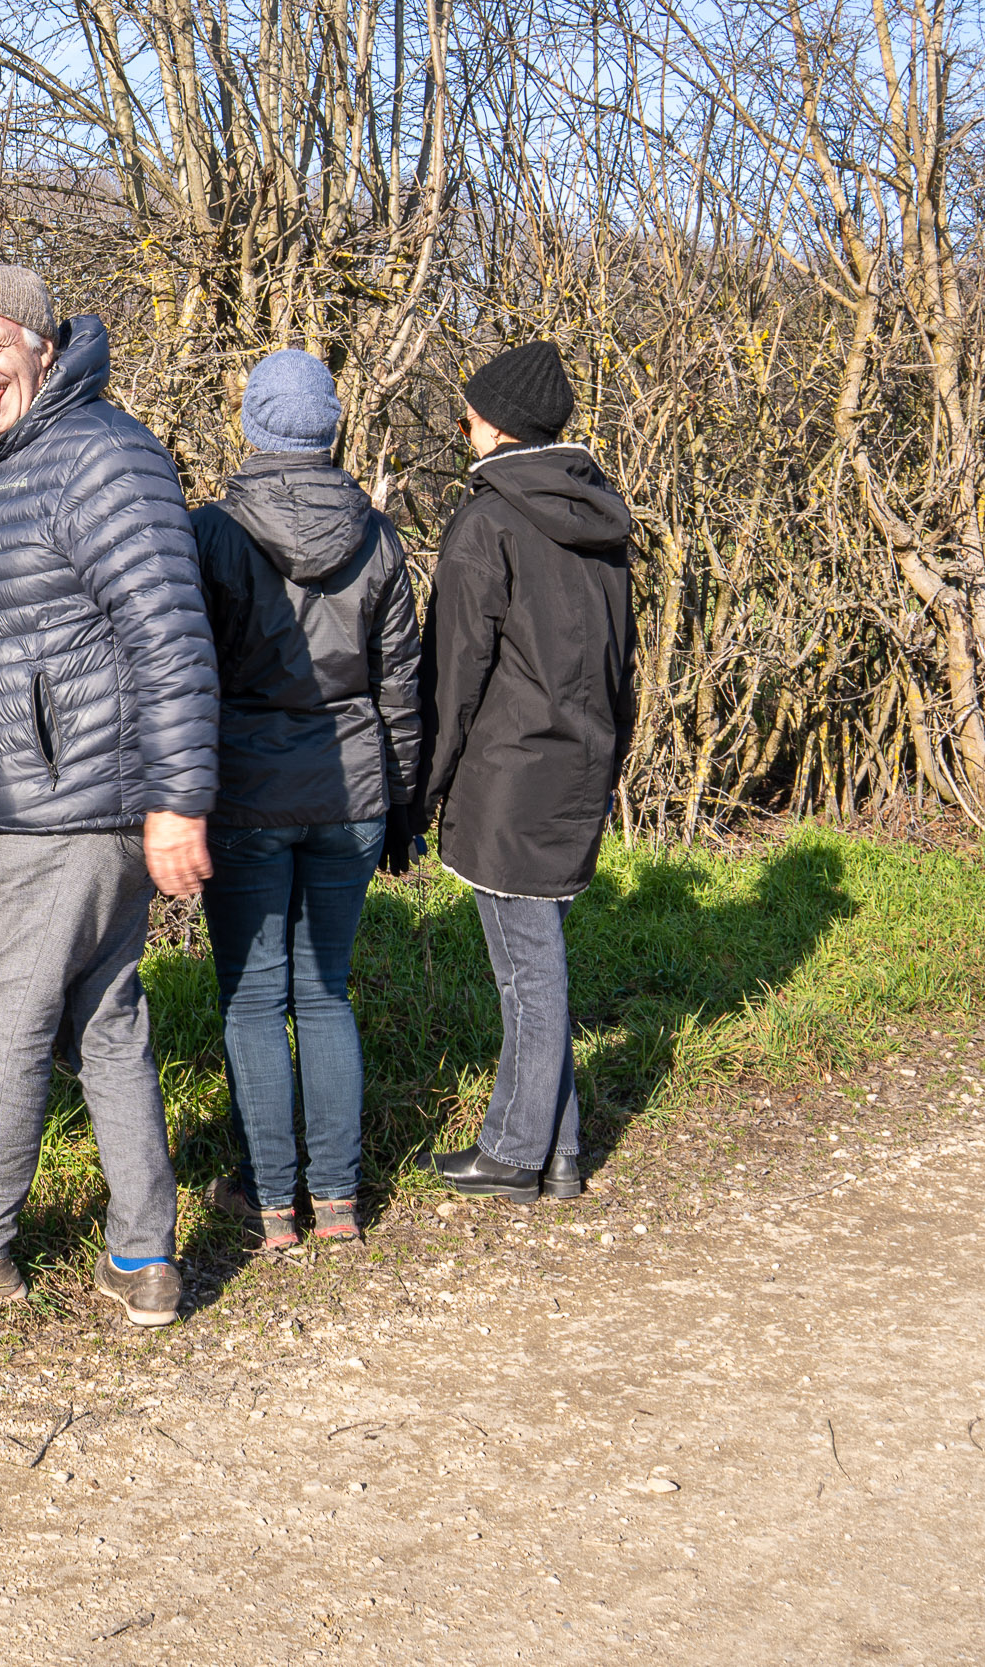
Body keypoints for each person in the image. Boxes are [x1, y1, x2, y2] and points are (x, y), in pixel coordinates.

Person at [0, 264, 218, 1328]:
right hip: (46, 787)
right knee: (105, 1016)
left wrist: (178, 798)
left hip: (80, 801)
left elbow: (169, 633)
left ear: (42, 341)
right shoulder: (17, 461)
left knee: (5, 1021)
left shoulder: (98, 455)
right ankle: (142, 1255)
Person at [190, 348, 421, 1252]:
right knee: (324, 993)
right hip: (352, 789)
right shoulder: (378, 535)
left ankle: (270, 1204)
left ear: (252, 426)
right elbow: (402, 686)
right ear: (330, 427)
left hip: (246, 793)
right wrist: (402, 805)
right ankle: (336, 1204)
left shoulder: (212, 533)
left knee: (253, 1000)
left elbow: (187, 680)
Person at [413, 340, 635, 1204]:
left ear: (496, 422)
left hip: (508, 776)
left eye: (469, 410)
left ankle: (511, 1153)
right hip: (580, 762)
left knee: (528, 971)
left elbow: (453, 673)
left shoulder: (488, 519)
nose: (463, 423)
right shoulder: (600, 514)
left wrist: (422, 785)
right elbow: (624, 663)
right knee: (537, 959)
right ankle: (561, 1152)